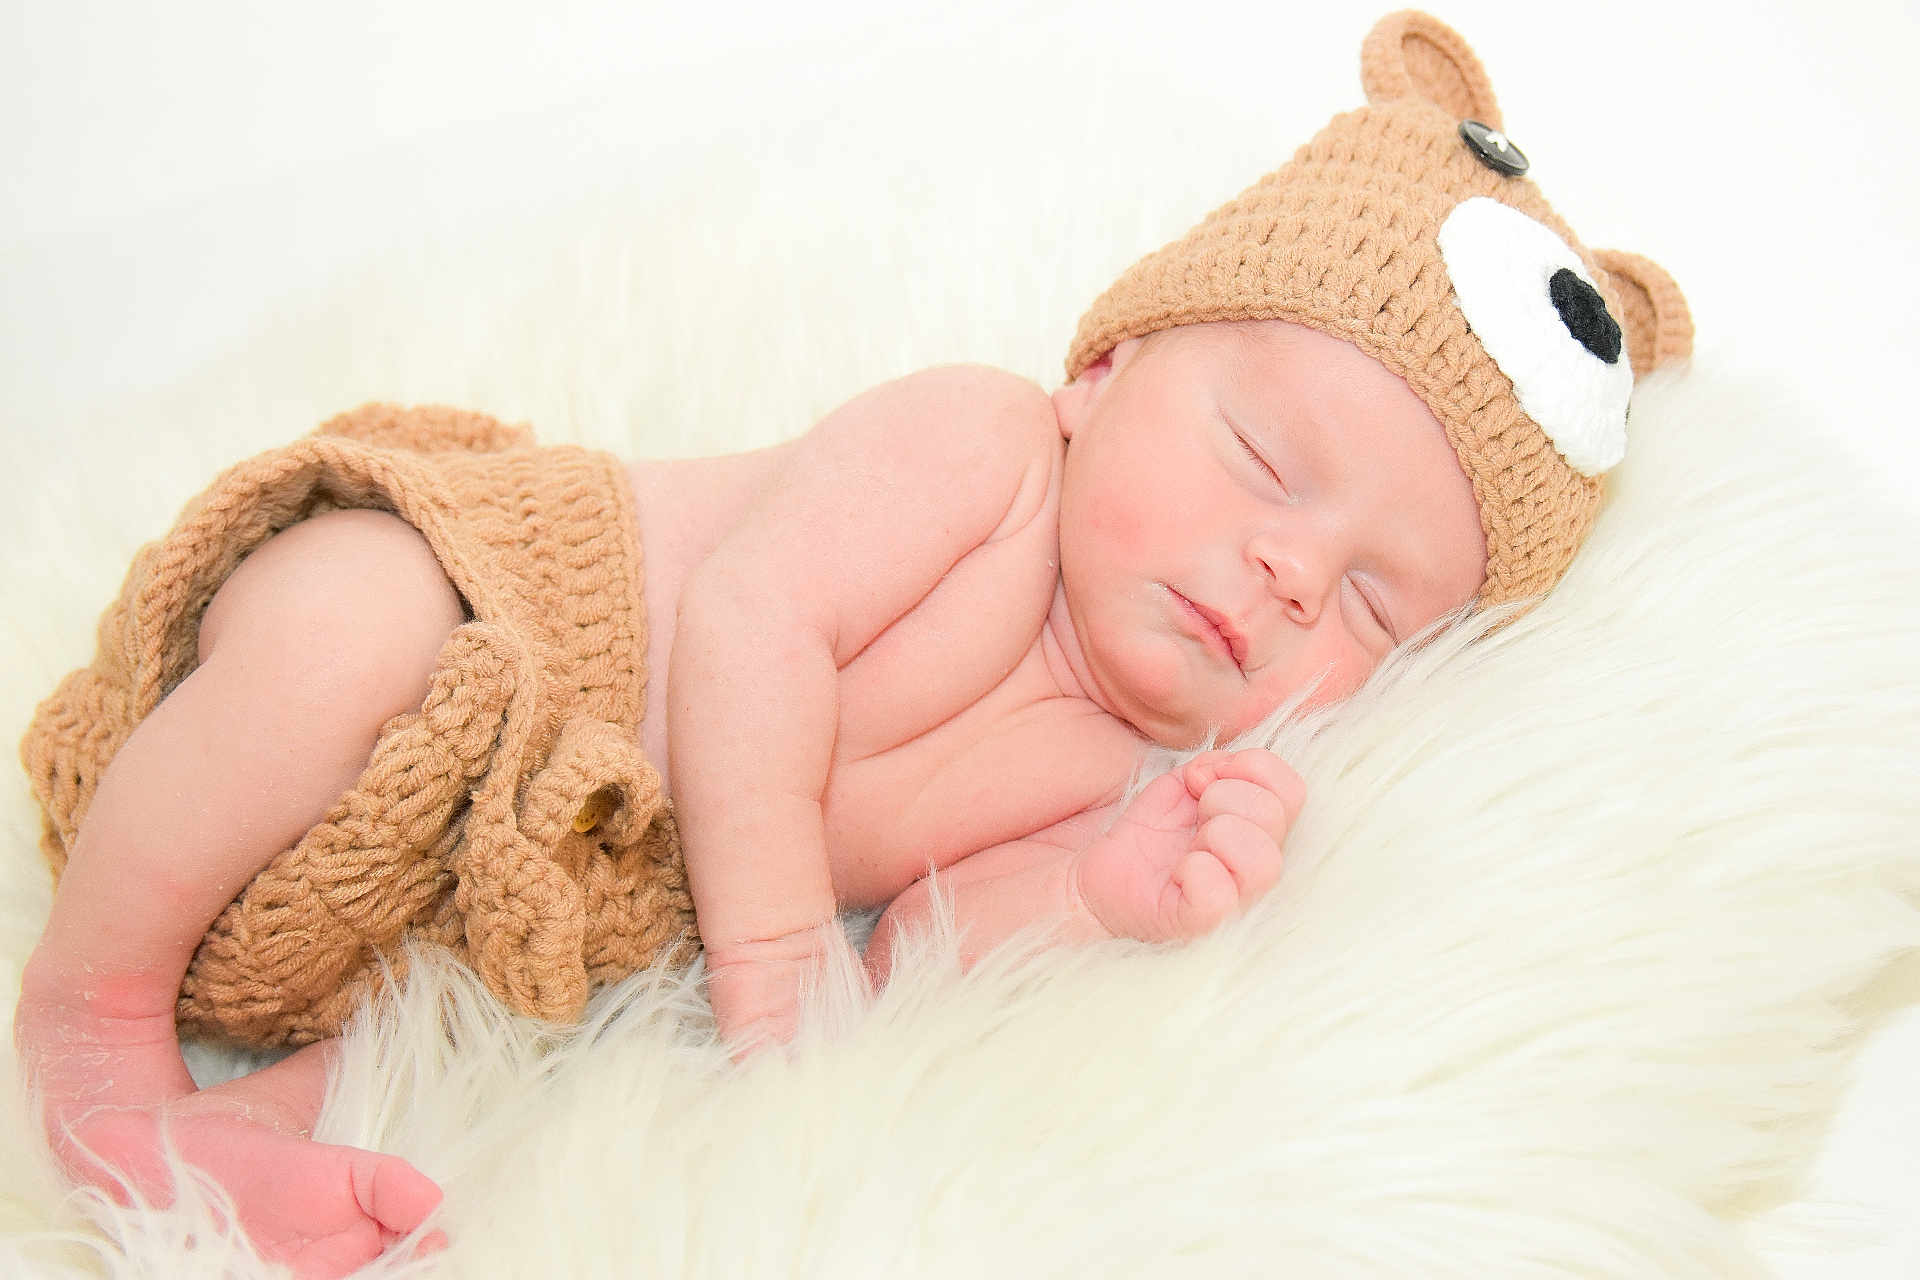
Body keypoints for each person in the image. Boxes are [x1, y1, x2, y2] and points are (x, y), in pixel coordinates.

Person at [12, 10, 1690, 1277]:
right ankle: (94, 1009)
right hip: (475, 631)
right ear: (1106, 372)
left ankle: (220, 1144)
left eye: (1375, 603)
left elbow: (913, 951)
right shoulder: (979, 449)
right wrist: (771, 973)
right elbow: (749, 634)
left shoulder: (1137, 754)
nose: (1286, 571)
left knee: (541, 1025)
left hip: (498, 895)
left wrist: (1103, 894)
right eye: (1265, 460)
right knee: (338, 630)